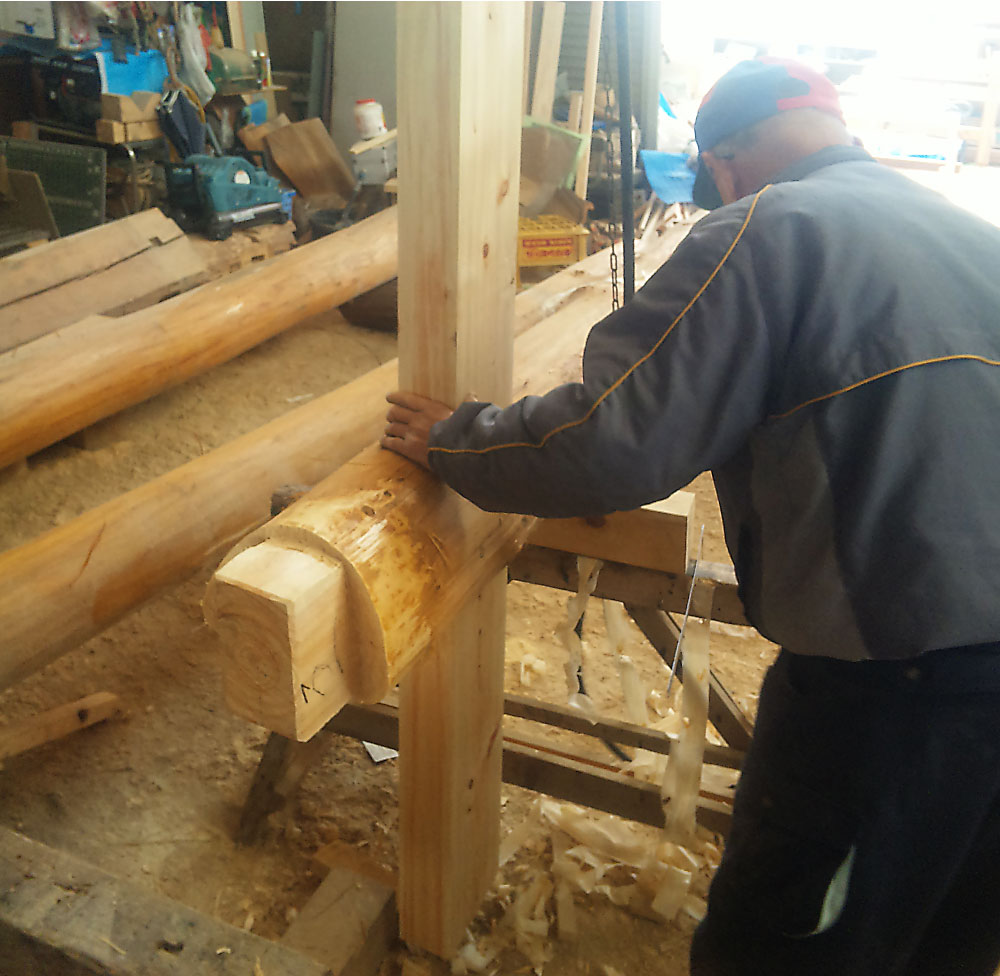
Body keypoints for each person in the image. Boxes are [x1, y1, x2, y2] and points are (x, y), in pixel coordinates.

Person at [382, 57, 1000, 976]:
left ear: (724, 161)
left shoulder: (766, 228)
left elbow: (614, 438)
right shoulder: (975, 238)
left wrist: (461, 441)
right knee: (943, 933)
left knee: (784, 947)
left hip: (896, 684)